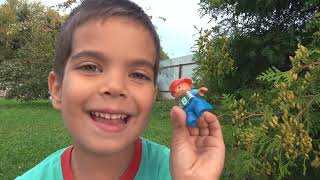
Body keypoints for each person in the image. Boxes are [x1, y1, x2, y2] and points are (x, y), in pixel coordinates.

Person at [16, 0, 225, 179]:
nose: (115, 87)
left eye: (138, 74)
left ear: (152, 98)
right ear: (57, 89)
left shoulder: (178, 172)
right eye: (90, 67)